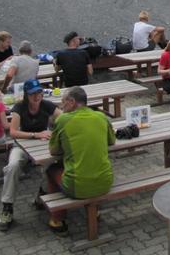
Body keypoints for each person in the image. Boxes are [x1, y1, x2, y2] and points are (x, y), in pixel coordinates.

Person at [45, 86, 115, 235]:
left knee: (52, 169)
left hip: (77, 186)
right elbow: (111, 141)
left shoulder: (63, 120)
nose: (61, 106)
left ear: (71, 102)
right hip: (105, 182)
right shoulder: (100, 116)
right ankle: (94, 211)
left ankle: (58, 219)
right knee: (87, 165)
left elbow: (54, 151)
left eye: (63, 102)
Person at [0, 79, 62, 232]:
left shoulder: (46, 104)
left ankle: (41, 194)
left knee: (49, 165)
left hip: (42, 144)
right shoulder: (20, 107)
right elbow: (13, 132)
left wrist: (57, 130)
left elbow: (64, 118)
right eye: (33, 93)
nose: (37, 96)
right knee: (12, 166)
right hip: (22, 144)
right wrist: (36, 134)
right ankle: (7, 207)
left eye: (39, 92)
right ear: (26, 94)